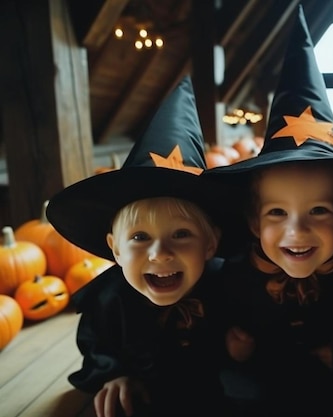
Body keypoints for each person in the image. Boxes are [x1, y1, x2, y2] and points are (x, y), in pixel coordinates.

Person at [202, 5, 333, 417]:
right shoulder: (232, 275)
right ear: (253, 222)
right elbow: (206, 330)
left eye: (318, 211)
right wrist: (230, 346)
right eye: (276, 214)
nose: (297, 230)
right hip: (261, 387)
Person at [46, 76, 238, 417]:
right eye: (139, 238)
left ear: (211, 244)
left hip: (214, 390)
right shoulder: (109, 298)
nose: (160, 254)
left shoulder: (230, 282)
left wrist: (243, 349)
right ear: (115, 250)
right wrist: (114, 374)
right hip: (144, 395)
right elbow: (97, 343)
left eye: (180, 234)